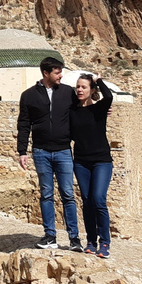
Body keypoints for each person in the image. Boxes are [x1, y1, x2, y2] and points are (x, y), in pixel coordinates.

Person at [17, 57, 82, 251]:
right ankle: (50, 236)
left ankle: (74, 239)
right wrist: (22, 151)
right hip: (41, 151)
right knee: (46, 194)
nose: (61, 75)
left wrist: (102, 111)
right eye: (57, 72)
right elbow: (23, 124)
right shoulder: (28, 95)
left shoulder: (67, 93)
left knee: (68, 195)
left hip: (63, 151)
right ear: (46, 73)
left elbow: (82, 112)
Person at [70, 73, 114, 259]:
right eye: (78, 87)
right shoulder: (71, 111)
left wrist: (98, 80)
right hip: (81, 162)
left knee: (98, 199)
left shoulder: (100, 109)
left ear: (92, 90)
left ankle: (105, 242)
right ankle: (90, 241)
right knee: (87, 201)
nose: (80, 90)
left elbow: (109, 96)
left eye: (84, 87)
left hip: (101, 161)